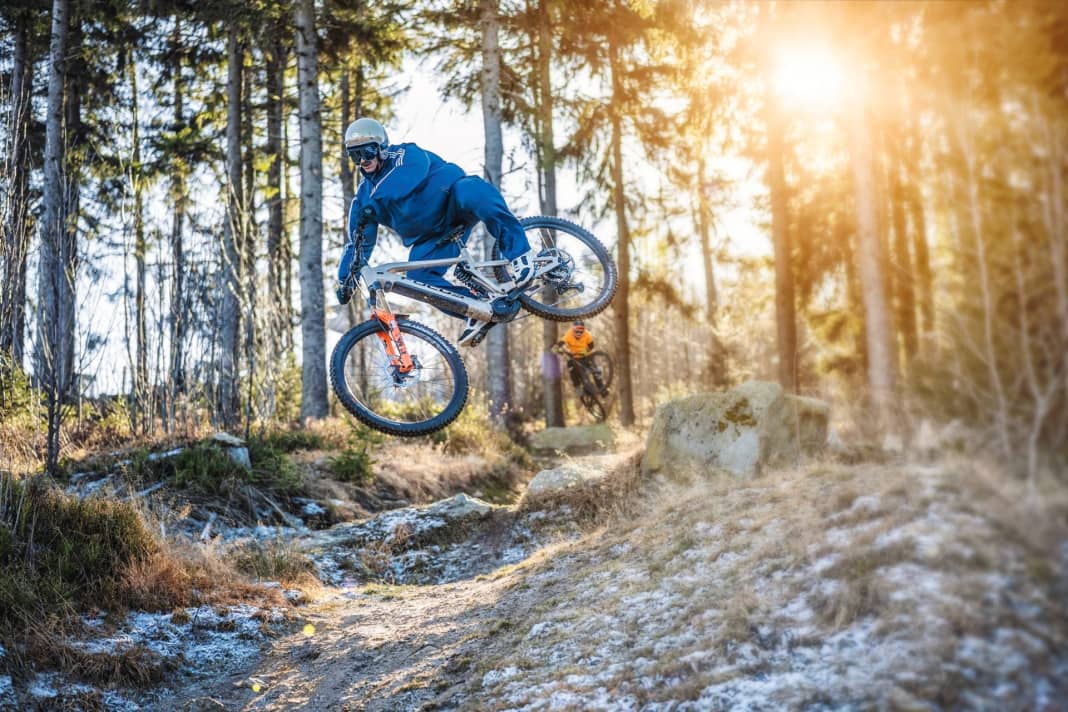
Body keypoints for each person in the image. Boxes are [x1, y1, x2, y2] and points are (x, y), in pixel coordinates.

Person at [335, 117, 538, 347]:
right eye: (355, 155)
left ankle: (521, 254)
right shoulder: (364, 198)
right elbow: (358, 244)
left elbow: (408, 177)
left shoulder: (404, 155)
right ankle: (477, 310)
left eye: (368, 152)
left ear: (381, 147)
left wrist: (373, 203)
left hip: (455, 201)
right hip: (433, 238)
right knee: (418, 280)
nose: (363, 160)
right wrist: (345, 281)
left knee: (473, 190)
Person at [554, 320, 607, 395]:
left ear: (584, 330)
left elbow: (591, 346)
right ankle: (577, 387)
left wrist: (583, 352)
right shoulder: (569, 334)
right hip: (575, 357)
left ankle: (602, 389)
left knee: (594, 370)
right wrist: (556, 349)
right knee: (571, 366)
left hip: (586, 355)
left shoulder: (587, 334)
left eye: (581, 331)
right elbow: (560, 343)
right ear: (573, 329)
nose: (579, 333)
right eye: (577, 331)